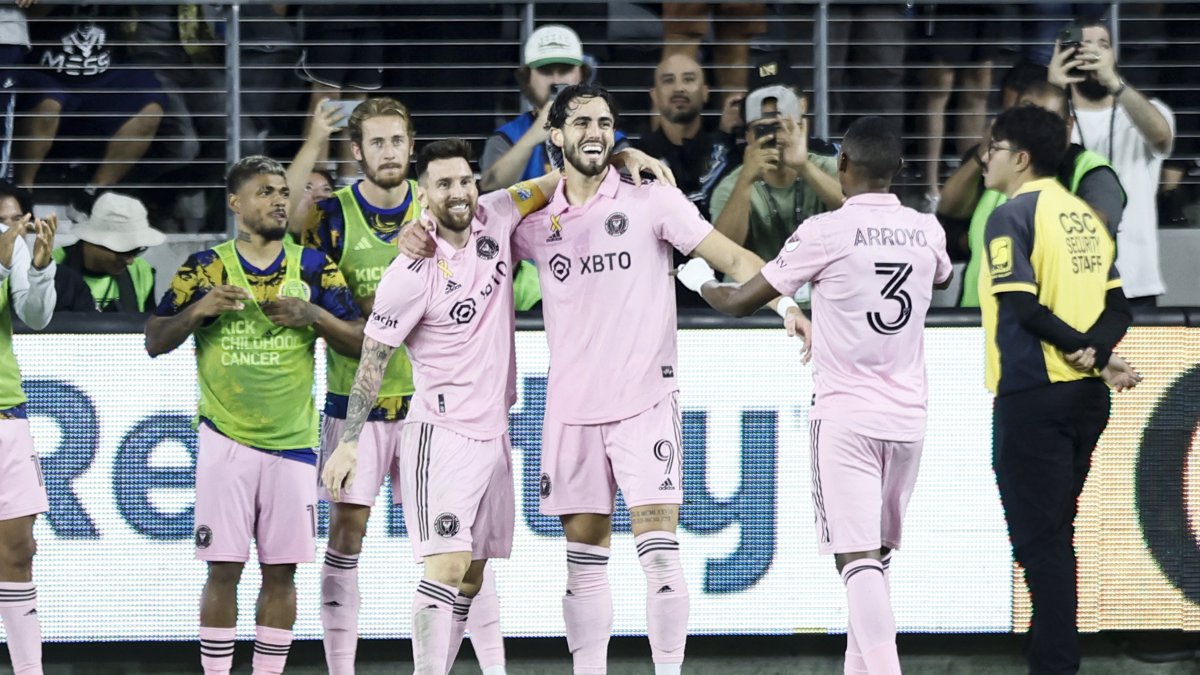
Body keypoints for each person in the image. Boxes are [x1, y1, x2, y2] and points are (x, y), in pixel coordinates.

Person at [401, 83, 805, 675]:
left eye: (607, 123)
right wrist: (414, 229)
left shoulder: (653, 200)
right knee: (583, 565)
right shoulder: (533, 220)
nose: (596, 131)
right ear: (556, 135)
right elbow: (464, 209)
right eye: (582, 122)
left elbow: (734, 258)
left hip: (645, 401)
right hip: (571, 412)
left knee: (661, 557)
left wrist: (788, 308)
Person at [677, 116, 953, 675]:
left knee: (856, 562)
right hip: (907, 421)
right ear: (897, 171)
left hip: (847, 416)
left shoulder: (824, 232)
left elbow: (736, 301)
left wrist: (694, 277)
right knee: (872, 566)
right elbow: (943, 277)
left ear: (843, 166)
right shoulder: (928, 230)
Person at [322, 138, 559, 675]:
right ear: (422, 193)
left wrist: (627, 158)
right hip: (441, 433)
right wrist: (351, 442)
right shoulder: (408, 273)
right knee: (446, 565)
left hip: (495, 432)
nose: (458, 193)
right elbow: (373, 361)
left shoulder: (497, 213)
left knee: (472, 576)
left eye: (464, 180)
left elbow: (556, 183)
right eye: (444, 184)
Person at [145, 156, 364, 675]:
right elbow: (154, 340)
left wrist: (316, 315)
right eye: (265, 192)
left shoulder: (313, 267)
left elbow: (361, 342)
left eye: (283, 191)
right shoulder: (206, 267)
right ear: (235, 202)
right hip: (227, 440)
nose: (279, 200)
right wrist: (197, 311)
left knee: (281, 573)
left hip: (293, 443)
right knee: (223, 569)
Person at [979, 105, 1140, 674]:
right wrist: (1094, 350)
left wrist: (1079, 346)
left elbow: (1021, 307)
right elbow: (1119, 306)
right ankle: (1047, 650)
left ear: (1019, 158)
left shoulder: (1012, 215)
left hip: (1033, 395)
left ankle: (1055, 663)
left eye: (993, 148)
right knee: (1053, 533)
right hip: (1086, 399)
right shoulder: (1086, 217)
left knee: (1039, 541)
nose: (984, 157)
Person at [939, 80, 1126, 307]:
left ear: (1068, 126)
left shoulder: (1088, 169)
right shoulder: (998, 167)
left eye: (1045, 122)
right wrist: (985, 149)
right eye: (1025, 121)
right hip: (976, 325)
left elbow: (1093, 231)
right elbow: (949, 209)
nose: (1032, 133)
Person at [1050, 17, 1175, 305]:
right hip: (1067, 281)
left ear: (1114, 56)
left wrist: (1115, 84)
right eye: (1083, 46)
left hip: (1134, 281)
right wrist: (1055, 89)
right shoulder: (1054, 116)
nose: (1093, 54)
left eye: (1102, 46)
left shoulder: (1147, 110)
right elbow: (1038, 154)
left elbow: (1161, 138)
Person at [711, 71, 841, 299]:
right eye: (763, 129)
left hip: (823, 301)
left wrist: (803, 167)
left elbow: (860, 211)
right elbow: (722, 255)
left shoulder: (827, 167)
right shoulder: (732, 185)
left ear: (801, 128)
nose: (774, 136)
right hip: (756, 306)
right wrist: (745, 182)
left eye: (781, 126)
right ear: (749, 137)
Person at [15, 5, 165, 201]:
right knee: (48, 102)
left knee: (149, 103)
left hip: (102, 72)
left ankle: (94, 195)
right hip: (40, 70)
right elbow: (20, 15)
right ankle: (21, 193)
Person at [0, 180, 56, 675]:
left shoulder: (18, 253)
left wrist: (38, 267)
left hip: (7, 419)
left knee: (18, 550)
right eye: (2, 221)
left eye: (18, 221)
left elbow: (35, 318)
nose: (12, 230)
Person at [481, 24, 627, 192]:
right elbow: (489, 188)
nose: (557, 80)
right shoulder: (507, 137)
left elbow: (625, 193)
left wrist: (627, 156)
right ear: (527, 77)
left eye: (565, 70)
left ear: (582, 74)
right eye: (546, 71)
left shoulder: (609, 136)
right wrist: (532, 137)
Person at [916, 4, 1002, 213]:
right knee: (940, 82)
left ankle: (968, 186)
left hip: (989, 10)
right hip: (948, 9)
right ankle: (930, 191)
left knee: (980, 82)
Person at [634, 52, 740, 220]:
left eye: (689, 79)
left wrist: (724, 140)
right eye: (668, 80)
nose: (679, 88)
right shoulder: (638, 156)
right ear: (654, 95)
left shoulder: (726, 152)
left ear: (706, 92)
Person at [53, 192, 165, 312]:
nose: (130, 261)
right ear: (94, 241)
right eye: (123, 251)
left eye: (136, 251)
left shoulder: (142, 271)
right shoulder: (51, 266)